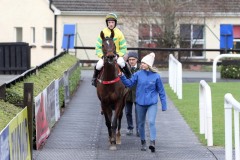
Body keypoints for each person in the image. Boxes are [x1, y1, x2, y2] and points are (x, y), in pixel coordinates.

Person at [119, 52, 167, 152]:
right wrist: (122, 76)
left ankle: (152, 142)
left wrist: (164, 105)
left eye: (144, 63)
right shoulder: (137, 74)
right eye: (142, 63)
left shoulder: (156, 76)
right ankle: (143, 142)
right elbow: (129, 83)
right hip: (140, 103)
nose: (142, 64)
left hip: (152, 103)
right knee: (140, 123)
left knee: (151, 122)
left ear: (149, 64)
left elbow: (161, 91)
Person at [92, 12, 131, 87]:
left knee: (122, 63)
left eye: (112, 22)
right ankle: (94, 79)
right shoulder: (103, 32)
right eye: (109, 22)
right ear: (107, 23)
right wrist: (102, 56)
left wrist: (118, 55)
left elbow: (123, 47)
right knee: (99, 65)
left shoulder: (119, 33)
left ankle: (129, 77)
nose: (111, 24)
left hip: (117, 56)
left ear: (115, 23)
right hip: (105, 56)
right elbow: (98, 47)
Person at [125, 52, 140, 137]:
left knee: (138, 113)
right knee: (128, 112)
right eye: (130, 59)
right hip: (127, 93)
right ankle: (130, 127)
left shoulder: (141, 68)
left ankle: (138, 129)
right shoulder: (125, 69)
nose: (131, 61)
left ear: (137, 60)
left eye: (133, 59)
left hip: (138, 94)